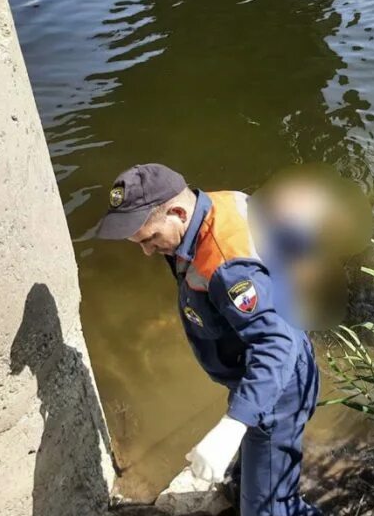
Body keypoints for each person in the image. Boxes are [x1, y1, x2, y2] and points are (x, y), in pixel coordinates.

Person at [96, 164, 321, 516]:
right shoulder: (218, 205)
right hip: (257, 371)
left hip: (277, 387)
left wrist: (232, 426)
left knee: (269, 509)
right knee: (247, 484)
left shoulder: (227, 269)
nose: (147, 251)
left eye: (150, 238)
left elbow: (276, 346)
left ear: (178, 212)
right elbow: (290, 241)